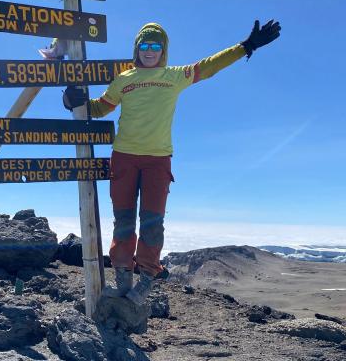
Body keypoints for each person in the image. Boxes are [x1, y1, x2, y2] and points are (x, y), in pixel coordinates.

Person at [63, 20, 281, 305]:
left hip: (158, 160)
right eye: (145, 45)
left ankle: (146, 281)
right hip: (124, 158)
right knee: (124, 222)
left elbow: (210, 65)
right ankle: (123, 279)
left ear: (163, 50)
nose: (149, 51)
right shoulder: (124, 79)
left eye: (156, 46)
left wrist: (246, 46)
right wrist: (75, 102)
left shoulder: (174, 76)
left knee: (153, 222)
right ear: (137, 48)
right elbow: (102, 107)